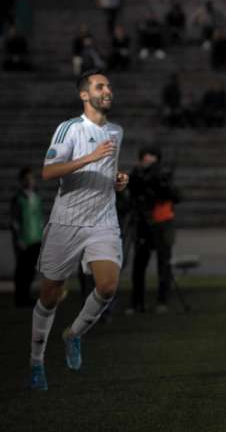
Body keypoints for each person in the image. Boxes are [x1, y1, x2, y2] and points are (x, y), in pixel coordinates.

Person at [29, 70, 128, 391]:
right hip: (67, 222)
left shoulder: (116, 131)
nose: (107, 90)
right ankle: (36, 363)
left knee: (108, 286)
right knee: (50, 295)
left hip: (103, 220)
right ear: (85, 95)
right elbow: (49, 172)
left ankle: (73, 334)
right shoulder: (69, 128)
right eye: (100, 86)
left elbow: (106, 168)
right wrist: (90, 157)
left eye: (108, 85)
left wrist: (117, 180)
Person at [128, 147, 180, 314]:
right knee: (139, 264)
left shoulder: (162, 175)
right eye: (145, 157)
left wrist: (161, 184)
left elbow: (176, 196)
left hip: (162, 222)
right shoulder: (136, 175)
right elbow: (132, 194)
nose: (148, 160)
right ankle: (137, 303)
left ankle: (162, 301)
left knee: (163, 263)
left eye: (151, 157)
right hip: (143, 223)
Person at [10, 167, 45, 307]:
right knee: (21, 270)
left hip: (36, 239)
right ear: (21, 181)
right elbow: (14, 222)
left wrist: (42, 236)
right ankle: (20, 298)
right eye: (26, 178)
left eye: (31, 178)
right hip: (24, 240)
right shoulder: (17, 199)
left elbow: (40, 219)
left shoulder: (37, 198)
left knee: (30, 270)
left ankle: (26, 297)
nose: (30, 181)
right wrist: (18, 239)